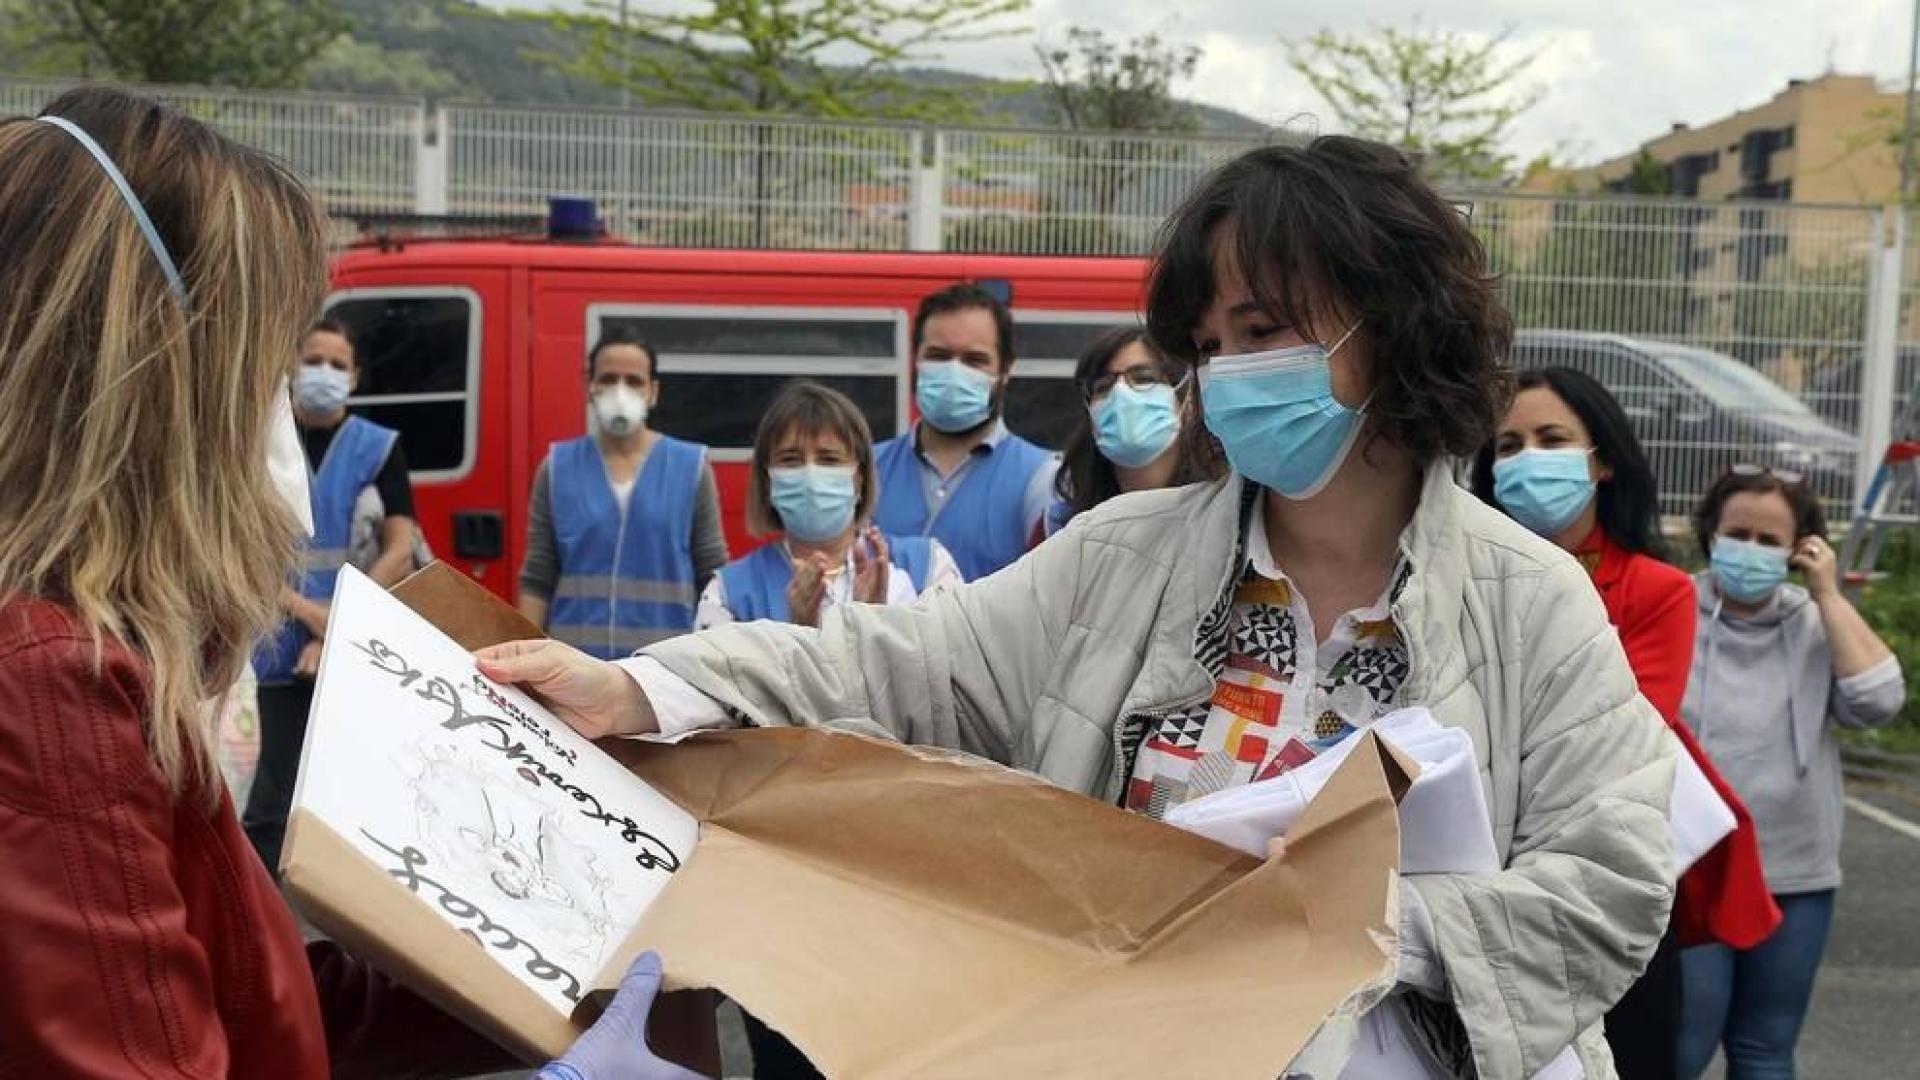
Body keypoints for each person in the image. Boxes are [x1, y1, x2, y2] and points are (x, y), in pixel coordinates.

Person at [480, 137, 1680, 1077]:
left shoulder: (1533, 601)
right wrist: (640, 685)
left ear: (1396, 321)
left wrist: (1358, 925)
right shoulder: (1117, 558)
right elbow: (889, 664)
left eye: (1264, 331)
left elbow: (1616, 882)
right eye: (1210, 343)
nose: (1227, 373)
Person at [0, 87, 694, 1079]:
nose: (286, 415)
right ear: (163, 381)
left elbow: (247, 991)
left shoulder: (80, 654)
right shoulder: (49, 683)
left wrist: (566, 980)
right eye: (271, 368)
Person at [1473, 368, 1780, 1080]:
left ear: (1602, 461)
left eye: (1552, 439)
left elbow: (1620, 734)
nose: (1527, 458)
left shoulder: (1657, 590)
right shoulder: (1461, 577)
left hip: (1607, 876)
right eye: (1509, 446)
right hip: (1483, 875)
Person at [1676, 465, 1905, 1080]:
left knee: (1765, 1051)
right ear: (1711, 533)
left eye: (1769, 540)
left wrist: (1828, 595)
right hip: (1691, 869)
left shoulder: (1814, 621)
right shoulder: (1673, 606)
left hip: (1795, 875)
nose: (1750, 550)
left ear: (1800, 549)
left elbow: (1879, 701)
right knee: (1680, 1050)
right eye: (1737, 534)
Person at [243, 317, 421, 875]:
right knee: (267, 803)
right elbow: (237, 544)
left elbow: (401, 547)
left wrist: (340, 623)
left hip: (351, 652)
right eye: (313, 361)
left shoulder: (379, 448)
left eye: (337, 365)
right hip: (271, 647)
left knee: (346, 802)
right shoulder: (261, 441)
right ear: (292, 367)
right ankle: (264, 910)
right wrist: (311, 615)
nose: (324, 372)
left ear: (356, 376)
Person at [518, 329, 728, 657]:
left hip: (662, 666)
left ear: (653, 392)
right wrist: (524, 657)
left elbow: (712, 573)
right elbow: (538, 577)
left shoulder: (691, 467)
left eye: (633, 381)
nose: (620, 390)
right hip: (574, 663)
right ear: (591, 387)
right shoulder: (557, 467)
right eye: (608, 379)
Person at [700, 380, 962, 630]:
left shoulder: (928, 567)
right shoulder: (727, 594)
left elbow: (955, 657)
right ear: (767, 480)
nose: (811, 475)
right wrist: (799, 633)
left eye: (829, 459)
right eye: (790, 460)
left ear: (859, 478)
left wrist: (877, 626)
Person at [871, 283, 1058, 580]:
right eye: (938, 356)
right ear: (915, 360)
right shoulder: (865, 469)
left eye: (974, 360)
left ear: (1006, 370)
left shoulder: (1042, 480)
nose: (953, 372)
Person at [1045, 325, 1218, 536]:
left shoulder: (1223, 512)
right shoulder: (1062, 526)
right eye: (1104, 386)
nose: (1121, 393)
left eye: (1143, 378)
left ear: (1186, 397)